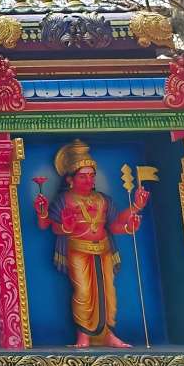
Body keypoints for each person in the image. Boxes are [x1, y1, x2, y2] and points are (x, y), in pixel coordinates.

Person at [33, 139, 148, 348]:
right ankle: (83, 336)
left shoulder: (102, 199)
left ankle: (108, 334)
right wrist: (62, 223)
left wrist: (134, 212)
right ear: (70, 179)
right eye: (83, 176)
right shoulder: (64, 200)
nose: (88, 180)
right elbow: (49, 226)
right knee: (84, 293)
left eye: (91, 176)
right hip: (78, 250)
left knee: (108, 295)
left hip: (104, 249)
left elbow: (113, 226)